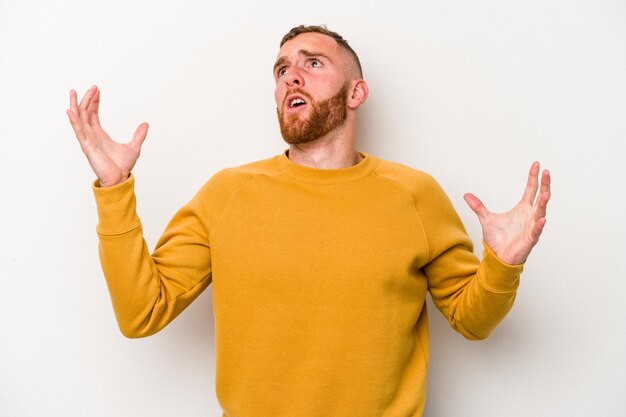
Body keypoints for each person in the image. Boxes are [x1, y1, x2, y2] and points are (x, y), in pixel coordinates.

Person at [67, 25, 551, 417]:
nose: (291, 76)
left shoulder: (414, 196)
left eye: (312, 63)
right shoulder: (227, 194)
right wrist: (114, 190)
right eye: (281, 70)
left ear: (356, 91)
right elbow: (140, 313)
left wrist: (502, 265)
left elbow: (473, 322)